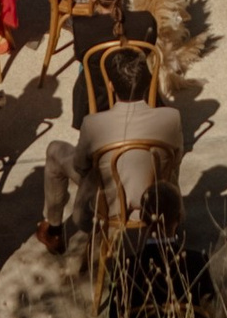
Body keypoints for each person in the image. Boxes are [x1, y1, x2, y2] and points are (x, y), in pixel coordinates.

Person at [41, 38, 184, 255]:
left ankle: (54, 228)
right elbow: (177, 161)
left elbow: (81, 166)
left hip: (107, 208)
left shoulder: (93, 124)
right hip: (156, 204)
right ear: (148, 83)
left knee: (54, 151)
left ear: (110, 86)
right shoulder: (172, 118)